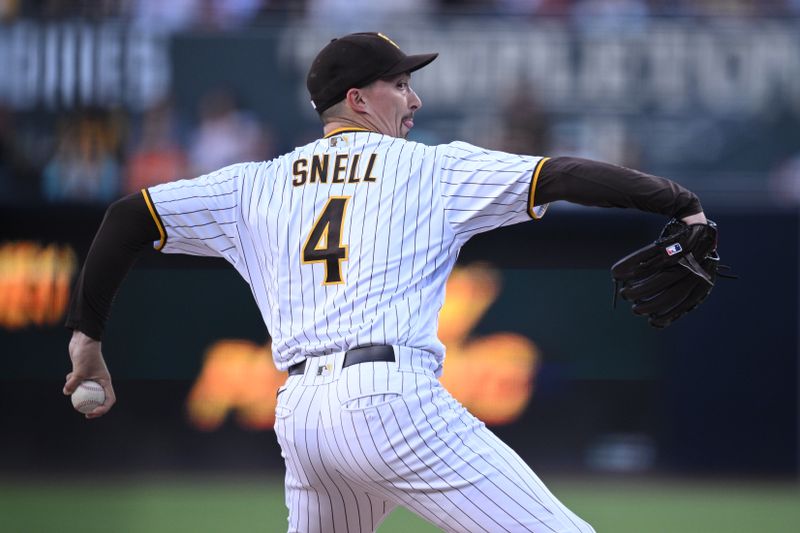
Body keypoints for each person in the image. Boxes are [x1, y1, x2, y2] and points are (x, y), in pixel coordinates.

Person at [64, 32, 707, 532]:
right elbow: (562, 174)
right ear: (358, 100)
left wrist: (86, 338)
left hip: (303, 418)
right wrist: (679, 201)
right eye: (401, 84)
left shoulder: (250, 184)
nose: (416, 100)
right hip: (390, 404)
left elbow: (127, 218)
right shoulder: (431, 170)